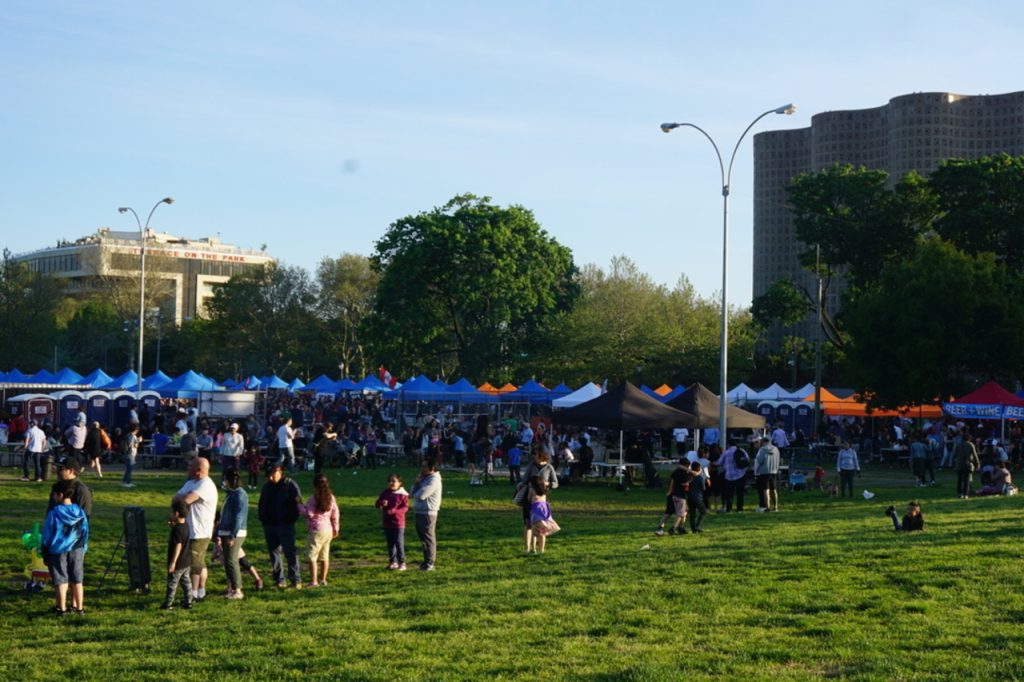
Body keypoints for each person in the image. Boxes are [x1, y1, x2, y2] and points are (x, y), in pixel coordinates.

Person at [41, 479, 90, 616]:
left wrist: (44, 550)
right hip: (77, 547)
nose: (53, 497)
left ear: (60, 495)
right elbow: (85, 530)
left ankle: (61, 609)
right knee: (77, 579)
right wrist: (84, 547)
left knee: (61, 579)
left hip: (58, 550)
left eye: (54, 495)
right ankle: (79, 608)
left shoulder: (54, 513)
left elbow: (47, 534)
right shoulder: (79, 511)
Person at [173, 457, 219, 601]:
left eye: (190, 466)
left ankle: (192, 593)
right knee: (199, 561)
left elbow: (185, 500)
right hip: (190, 529)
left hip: (200, 531)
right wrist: (179, 501)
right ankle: (201, 590)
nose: (187, 468)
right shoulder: (191, 482)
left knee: (194, 562)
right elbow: (176, 498)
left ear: (199, 470)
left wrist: (181, 500)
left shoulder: (206, 485)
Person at [258, 463, 303, 588]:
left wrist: (290, 519)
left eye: (272, 474)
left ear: (280, 471)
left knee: (290, 552)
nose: (270, 478)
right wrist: (263, 518)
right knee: (274, 554)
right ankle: (279, 580)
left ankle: (295, 580)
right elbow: (262, 503)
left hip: (285, 525)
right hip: (269, 525)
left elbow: (298, 504)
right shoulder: (267, 487)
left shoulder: (290, 485)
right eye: (268, 476)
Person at [298, 473, 340, 587]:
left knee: (312, 556)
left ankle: (313, 581)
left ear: (314, 486)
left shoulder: (313, 498)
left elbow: (309, 514)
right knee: (324, 556)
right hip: (328, 530)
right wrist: (336, 528)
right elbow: (335, 513)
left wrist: (299, 505)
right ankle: (323, 579)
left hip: (316, 530)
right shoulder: (331, 497)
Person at [216, 470, 249, 599]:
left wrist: (232, 535)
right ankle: (231, 588)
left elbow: (238, 517)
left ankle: (238, 590)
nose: (223, 483)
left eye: (225, 480)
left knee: (231, 560)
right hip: (226, 531)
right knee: (227, 560)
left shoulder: (240, 495)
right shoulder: (231, 494)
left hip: (235, 532)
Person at [519, 447, 558, 553]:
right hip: (529, 498)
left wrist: (547, 484)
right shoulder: (531, 466)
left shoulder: (549, 467)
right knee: (528, 523)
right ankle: (527, 548)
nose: (533, 457)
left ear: (541, 455)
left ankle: (540, 549)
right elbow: (525, 479)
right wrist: (521, 485)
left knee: (540, 526)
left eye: (535, 455)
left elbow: (556, 483)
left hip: (541, 500)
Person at [410, 459, 442, 571]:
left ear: (432, 468)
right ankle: (425, 561)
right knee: (423, 539)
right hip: (419, 511)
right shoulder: (424, 478)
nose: (421, 468)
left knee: (428, 538)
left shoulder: (434, 480)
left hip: (428, 513)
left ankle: (430, 563)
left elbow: (423, 495)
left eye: (424, 466)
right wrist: (417, 483)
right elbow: (412, 493)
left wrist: (417, 491)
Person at [162, 499, 194, 610]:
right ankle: (188, 601)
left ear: (176, 513)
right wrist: (173, 526)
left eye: (172, 512)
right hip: (187, 561)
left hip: (178, 563)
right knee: (186, 582)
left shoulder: (177, 530)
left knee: (172, 584)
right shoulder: (185, 525)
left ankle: (168, 604)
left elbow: (178, 545)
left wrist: (173, 562)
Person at [374, 473, 409, 570]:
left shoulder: (403, 495)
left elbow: (405, 508)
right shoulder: (385, 492)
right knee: (390, 543)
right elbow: (376, 504)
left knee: (399, 542)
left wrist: (394, 511)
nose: (391, 483)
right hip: (387, 522)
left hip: (398, 523)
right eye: (389, 481)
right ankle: (393, 562)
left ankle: (402, 563)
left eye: (393, 481)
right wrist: (381, 503)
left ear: (400, 483)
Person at [655, 460, 689, 536]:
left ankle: (660, 527)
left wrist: (669, 492)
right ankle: (677, 527)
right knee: (682, 512)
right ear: (686, 465)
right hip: (680, 495)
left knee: (669, 512)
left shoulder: (675, 472)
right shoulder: (686, 474)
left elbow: (671, 483)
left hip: (671, 494)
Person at [528, 477, 559, 553]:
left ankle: (534, 548)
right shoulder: (544, 489)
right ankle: (541, 549)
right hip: (544, 509)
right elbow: (549, 483)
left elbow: (529, 499)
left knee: (535, 530)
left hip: (536, 510)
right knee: (542, 532)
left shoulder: (532, 490)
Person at [754, 437, 781, 512]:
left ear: (763, 442)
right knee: (774, 490)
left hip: (764, 472)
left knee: (766, 490)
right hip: (774, 471)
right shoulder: (776, 449)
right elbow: (778, 459)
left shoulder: (762, 449)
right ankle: (775, 507)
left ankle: (767, 507)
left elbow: (759, 460)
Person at [720, 443, 749, 513]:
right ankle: (740, 508)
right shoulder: (742, 450)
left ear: (728, 445)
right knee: (740, 493)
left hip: (729, 476)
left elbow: (719, 462)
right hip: (741, 474)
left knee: (729, 494)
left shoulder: (726, 453)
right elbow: (747, 460)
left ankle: (729, 508)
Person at [953, 433, 980, 499]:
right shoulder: (971, 444)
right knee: (966, 480)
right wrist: (977, 464)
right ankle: (965, 494)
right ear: (969, 438)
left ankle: (959, 493)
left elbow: (955, 455)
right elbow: (975, 455)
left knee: (959, 479)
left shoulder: (958, 445)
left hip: (959, 464)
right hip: (967, 464)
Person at [220, 422, 244, 488]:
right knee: (225, 470)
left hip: (235, 456)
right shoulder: (226, 435)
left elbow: (241, 446)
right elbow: (223, 444)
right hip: (226, 454)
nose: (232, 429)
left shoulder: (240, 436)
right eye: (231, 428)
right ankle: (223, 483)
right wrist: (221, 453)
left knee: (236, 470)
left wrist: (238, 454)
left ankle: (237, 482)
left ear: (236, 429)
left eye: (234, 428)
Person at [687, 461, 707, 533]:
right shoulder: (700, 478)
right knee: (703, 511)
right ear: (699, 469)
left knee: (692, 513)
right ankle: (697, 526)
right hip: (698, 497)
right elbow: (703, 488)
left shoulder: (689, 477)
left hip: (689, 497)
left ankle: (693, 528)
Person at [122, 423, 140, 488]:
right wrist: (138, 441)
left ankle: (124, 480)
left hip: (126, 453)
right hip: (130, 453)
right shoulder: (133, 436)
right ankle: (128, 482)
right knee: (129, 469)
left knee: (127, 468)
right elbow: (134, 445)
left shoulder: (127, 435)